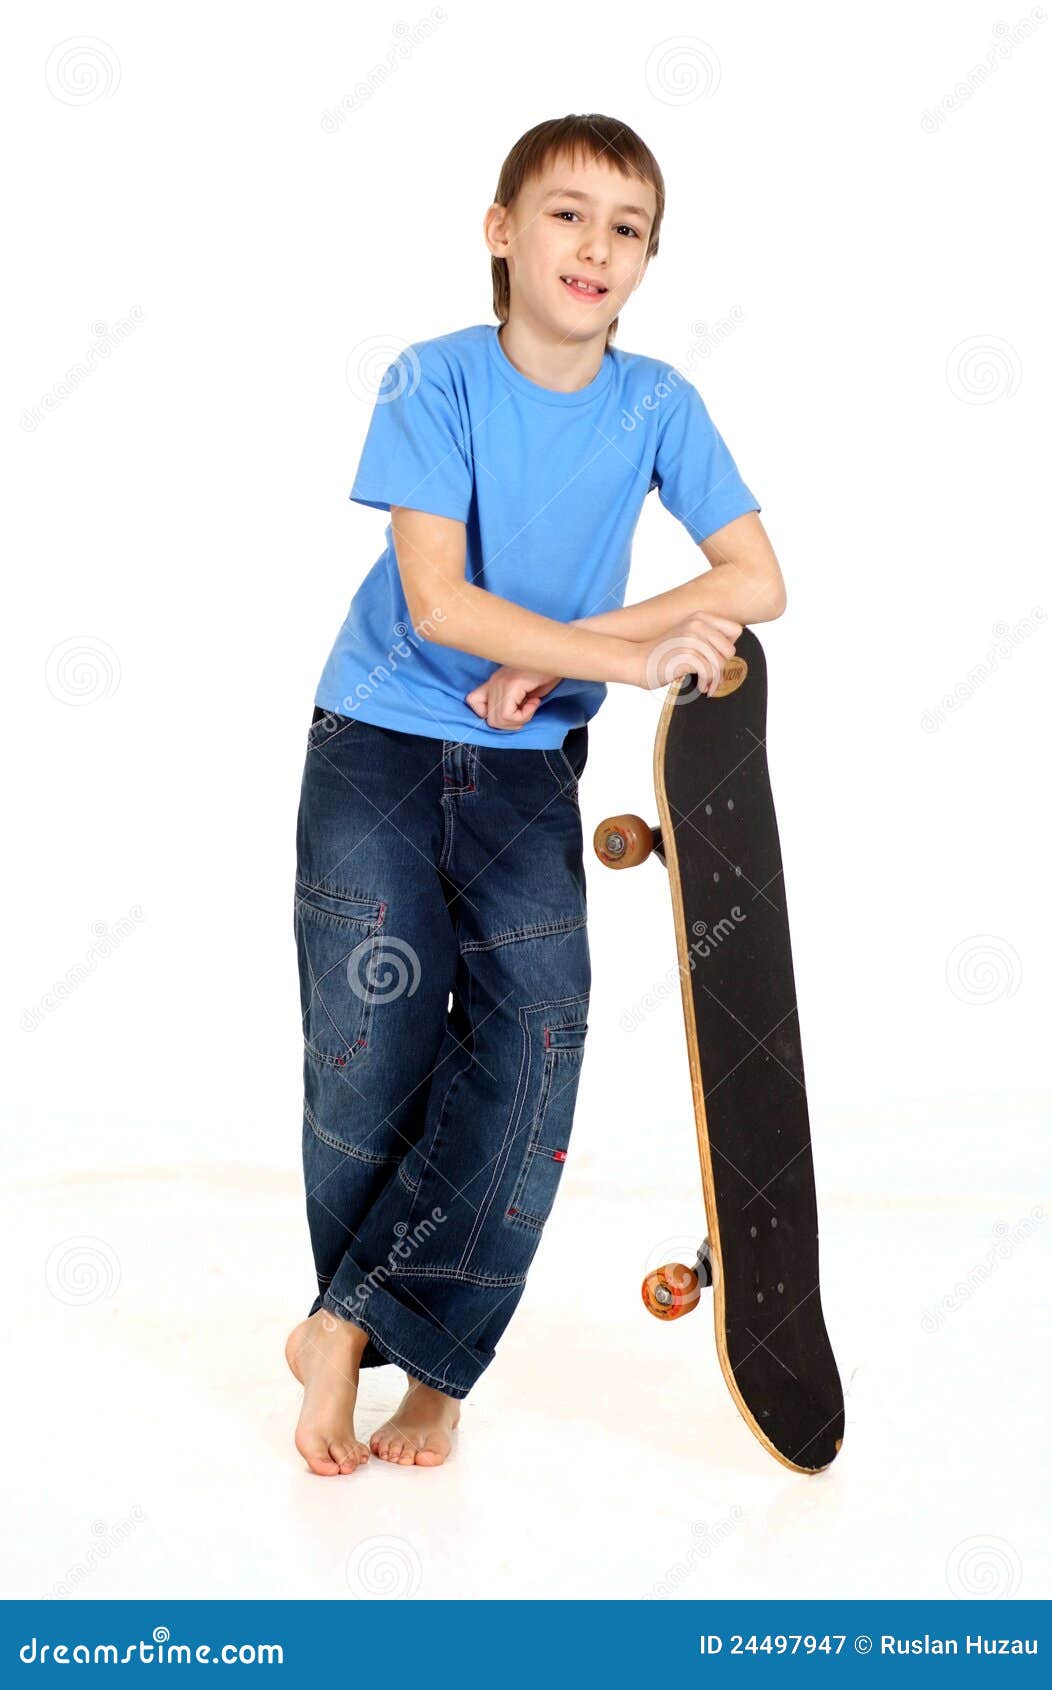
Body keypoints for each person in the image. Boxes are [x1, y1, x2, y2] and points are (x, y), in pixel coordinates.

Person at [286, 112, 786, 1474]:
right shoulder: (433, 379)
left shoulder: (657, 404)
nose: (597, 245)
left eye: (629, 229)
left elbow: (757, 577)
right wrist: (621, 655)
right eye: (568, 213)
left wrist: (568, 655)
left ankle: (417, 1359)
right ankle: (350, 1336)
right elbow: (441, 605)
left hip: (524, 772)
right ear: (503, 233)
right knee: (371, 1051)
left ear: (647, 264)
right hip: (378, 747)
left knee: (532, 1048)